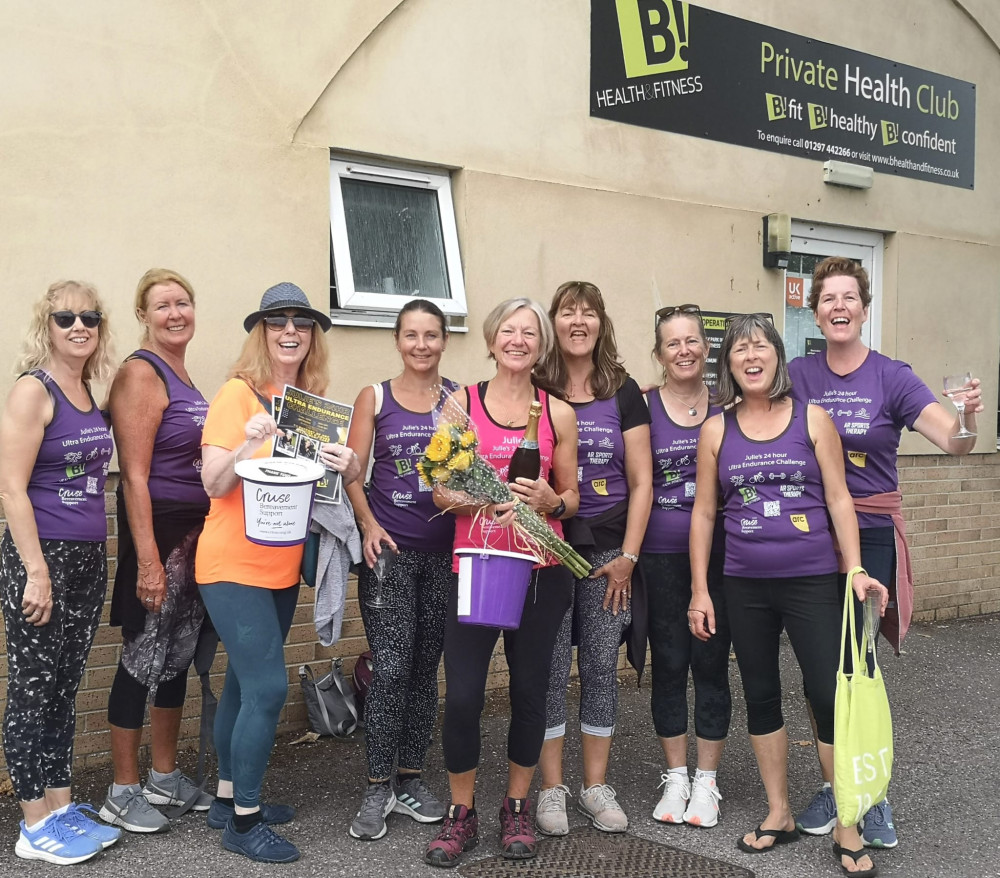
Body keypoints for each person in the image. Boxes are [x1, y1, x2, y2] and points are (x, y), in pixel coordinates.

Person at [788, 256, 983, 849]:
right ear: (815, 310)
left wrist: (970, 413)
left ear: (865, 311)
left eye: (850, 297)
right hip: (807, 533)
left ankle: (871, 794)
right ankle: (834, 781)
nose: (839, 307)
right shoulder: (797, 374)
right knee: (820, 671)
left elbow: (955, 444)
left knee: (857, 668)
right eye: (828, 299)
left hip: (868, 533)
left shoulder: (892, 377)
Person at [689, 314, 888, 877]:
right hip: (744, 583)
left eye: (760, 347)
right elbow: (705, 513)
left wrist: (853, 570)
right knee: (761, 693)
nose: (751, 357)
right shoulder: (716, 429)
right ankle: (778, 812)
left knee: (828, 696)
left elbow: (840, 500)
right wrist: (701, 589)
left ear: (777, 356)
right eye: (738, 350)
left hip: (814, 581)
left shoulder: (814, 418)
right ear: (727, 364)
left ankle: (846, 822)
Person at [196, 282, 361, 863]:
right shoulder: (237, 395)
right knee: (268, 689)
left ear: (313, 335)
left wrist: (349, 465)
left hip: (281, 567)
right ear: (260, 332)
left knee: (244, 686)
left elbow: (323, 491)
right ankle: (243, 824)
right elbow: (213, 482)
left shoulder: (307, 404)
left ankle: (225, 799)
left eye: (302, 322)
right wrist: (247, 446)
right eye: (277, 321)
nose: (290, 331)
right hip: (232, 565)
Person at [424, 298, 579, 868]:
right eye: (508, 331)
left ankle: (515, 804)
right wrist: (480, 499)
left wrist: (551, 500)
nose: (519, 340)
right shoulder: (460, 403)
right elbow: (439, 489)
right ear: (491, 340)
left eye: (530, 333)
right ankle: (460, 812)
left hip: (540, 571)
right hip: (477, 567)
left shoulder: (557, 412)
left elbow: (573, 495)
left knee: (529, 692)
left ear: (540, 346)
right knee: (463, 695)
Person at [0, 281, 120, 864]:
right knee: (31, 689)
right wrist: (35, 572)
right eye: (65, 317)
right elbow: (11, 488)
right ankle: (31, 825)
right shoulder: (33, 390)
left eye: (89, 317)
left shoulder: (85, 388)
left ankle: (61, 808)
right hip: (42, 557)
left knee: (63, 691)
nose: (79, 326)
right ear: (46, 326)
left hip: (87, 558)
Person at [97, 269, 213, 834]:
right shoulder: (140, 374)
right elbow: (134, 478)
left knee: (175, 659)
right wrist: (146, 560)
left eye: (183, 303)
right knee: (141, 658)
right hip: (160, 538)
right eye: (162, 304)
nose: (175, 313)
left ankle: (163, 778)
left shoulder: (185, 378)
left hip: (195, 539)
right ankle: (121, 790)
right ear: (143, 314)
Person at [534, 282, 651, 835]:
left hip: (609, 551)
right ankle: (551, 790)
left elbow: (642, 481)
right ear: (553, 322)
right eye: (567, 312)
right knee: (550, 666)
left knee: (601, 666)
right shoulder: (536, 387)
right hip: (547, 547)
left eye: (588, 313)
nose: (578, 321)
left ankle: (594, 787)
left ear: (601, 322)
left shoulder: (623, 390)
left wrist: (629, 555)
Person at [344, 299, 457, 841]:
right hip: (389, 555)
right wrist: (367, 524)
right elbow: (351, 474)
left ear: (443, 340)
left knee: (423, 667)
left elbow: (473, 472)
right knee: (390, 667)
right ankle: (375, 786)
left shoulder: (460, 399)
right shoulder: (375, 397)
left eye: (431, 335)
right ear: (397, 339)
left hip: (444, 557)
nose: (421, 345)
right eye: (411, 335)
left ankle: (410, 778)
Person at [640, 304, 731, 828]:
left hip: (722, 557)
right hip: (659, 557)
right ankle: (676, 776)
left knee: (712, 664)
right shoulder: (643, 406)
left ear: (705, 348)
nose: (684, 350)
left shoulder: (730, 405)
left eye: (692, 341)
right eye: (672, 343)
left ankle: (707, 781)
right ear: (659, 354)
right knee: (670, 663)